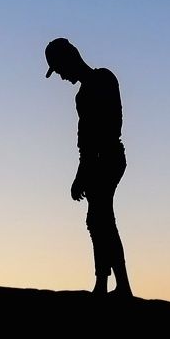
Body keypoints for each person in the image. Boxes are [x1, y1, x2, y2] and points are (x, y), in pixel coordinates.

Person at [45, 38, 132, 297]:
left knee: (101, 218)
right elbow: (85, 141)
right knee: (98, 219)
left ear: (70, 59)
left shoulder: (103, 79)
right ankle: (107, 284)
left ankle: (116, 286)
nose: (62, 77)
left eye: (60, 69)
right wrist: (82, 173)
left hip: (108, 159)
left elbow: (105, 129)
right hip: (98, 161)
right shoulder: (82, 95)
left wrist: (84, 172)